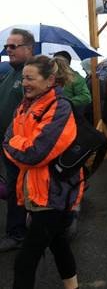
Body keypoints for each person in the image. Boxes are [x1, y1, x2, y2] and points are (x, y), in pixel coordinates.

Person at [3, 55, 83, 289]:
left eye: (30, 78)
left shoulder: (60, 107)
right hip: (33, 190)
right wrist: (19, 146)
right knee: (59, 243)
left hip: (54, 193)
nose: (25, 83)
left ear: (49, 81)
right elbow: (7, 140)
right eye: (24, 77)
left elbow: (36, 153)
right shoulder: (24, 106)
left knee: (25, 261)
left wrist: (16, 146)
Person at [0, 28, 34, 252]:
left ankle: (17, 233)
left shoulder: (29, 77)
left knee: (18, 189)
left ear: (28, 49)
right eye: (7, 46)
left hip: (20, 147)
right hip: (7, 145)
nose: (8, 50)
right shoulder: (11, 74)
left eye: (13, 46)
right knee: (14, 189)